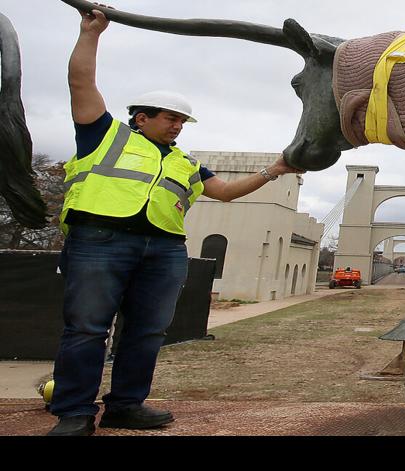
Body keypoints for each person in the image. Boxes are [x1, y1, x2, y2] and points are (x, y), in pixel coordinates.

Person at [46, 5, 304, 436]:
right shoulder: (102, 134)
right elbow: (81, 82)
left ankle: (125, 405)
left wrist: (275, 170)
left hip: (164, 249)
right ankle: (74, 413)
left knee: (148, 331)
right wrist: (90, 34)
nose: (178, 126)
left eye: (182, 120)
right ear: (141, 117)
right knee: (87, 329)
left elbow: (223, 193)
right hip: (100, 239)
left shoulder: (186, 163)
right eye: (171, 118)